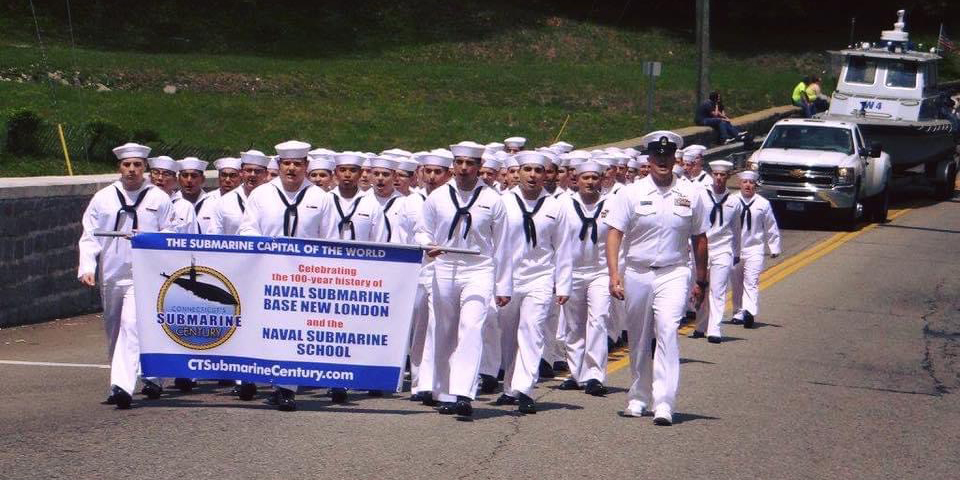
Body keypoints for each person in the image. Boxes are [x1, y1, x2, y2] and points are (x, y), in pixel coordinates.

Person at [604, 130, 709, 426]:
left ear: (675, 158)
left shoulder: (691, 193)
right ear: (648, 159)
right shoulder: (631, 192)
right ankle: (638, 396)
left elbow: (700, 238)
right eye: (657, 156)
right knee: (638, 337)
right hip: (637, 272)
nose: (662, 161)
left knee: (666, 332)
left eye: (667, 156)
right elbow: (614, 233)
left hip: (674, 272)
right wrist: (614, 274)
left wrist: (701, 281)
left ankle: (664, 402)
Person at [415, 141, 513, 418]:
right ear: (453, 165)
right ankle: (443, 390)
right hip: (444, 265)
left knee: (471, 327)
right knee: (443, 329)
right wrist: (429, 245)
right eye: (459, 163)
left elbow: (504, 246)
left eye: (470, 164)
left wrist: (503, 285)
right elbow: (421, 231)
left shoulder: (493, 199)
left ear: (479, 168)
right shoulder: (438, 197)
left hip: (478, 268)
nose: (464, 169)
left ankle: (463, 392)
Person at [237, 140, 338, 411]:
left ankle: (285, 388)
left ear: (306, 166)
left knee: (292, 331)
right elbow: (247, 230)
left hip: (303, 277)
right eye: (286, 164)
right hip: (265, 272)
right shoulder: (261, 194)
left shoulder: (321, 198)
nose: (291, 168)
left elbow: (330, 240)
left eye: (297, 164)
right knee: (260, 328)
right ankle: (251, 376)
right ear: (279, 166)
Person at [78, 142, 175, 409]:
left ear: (145, 168)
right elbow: (89, 234)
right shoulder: (104, 197)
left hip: (143, 273)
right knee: (113, 327)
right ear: (119, 167)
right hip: (112, 271)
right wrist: (87, 266)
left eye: (137, 165)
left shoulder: (158, 198)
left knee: (132, 325)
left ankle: (125, 384)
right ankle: (119, 381)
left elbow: (170, 234)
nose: (132, 170)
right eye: (127, 165)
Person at [497, 151, 572, 414]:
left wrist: (563, 285)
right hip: (508, 277)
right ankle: (509, 387)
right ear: (517, 173)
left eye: (538, 171)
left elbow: (563, 247)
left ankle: (525, 388)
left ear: (545, 175)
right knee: (507, 335)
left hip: (540, 277)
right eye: (527, 169)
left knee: (532, 330)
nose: (532, 175)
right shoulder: (503, 202)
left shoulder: (557, 206)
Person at [557, 160, 611, 396]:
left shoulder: (612, 204)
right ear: (575, 180)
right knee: (574, 324)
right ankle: (577, 372)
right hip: (573, 271)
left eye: (594, 178)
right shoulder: (563, 204)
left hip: (601, 271)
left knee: (598, 319)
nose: (590, 182)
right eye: (585, 178)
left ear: (601, 180)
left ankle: (595, 375)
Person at [407, 153, 453, 405]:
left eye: (438, 172)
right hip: (419, 269)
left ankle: (436, 382)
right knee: (420, 327)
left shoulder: (451, 199)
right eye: (429, 171)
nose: (433, 176)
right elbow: (408, 235)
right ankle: (419, 381)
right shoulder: (411, 201)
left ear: (448, 174)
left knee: (440, 326)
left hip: (444, 269)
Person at [690, 160, 741, 343]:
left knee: (718, 290)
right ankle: (701, 326)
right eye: (716, 175)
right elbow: (693, 224)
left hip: (722, 249)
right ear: (712, 175)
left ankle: (714, 329)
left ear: (728, 177)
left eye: (723, 175)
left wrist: (736, 253)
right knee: (701, 286)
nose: (719, 178)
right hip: (703, 248)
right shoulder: (701, 195)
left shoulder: (734, 201)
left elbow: (736, 229)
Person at [731, 170, 782, 328]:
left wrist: (774, 247)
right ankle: (738, 312)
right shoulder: (731, 201)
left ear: (755, 185)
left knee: (751, 281)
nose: (748, 185)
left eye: (751, 183)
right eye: (745, 182)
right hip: (735, 249)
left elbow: (771, 226)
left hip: (755, 248)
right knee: (736, 283)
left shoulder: (762, 203)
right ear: (740, 184)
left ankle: (749, 312)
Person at [209, 150, 270, 237]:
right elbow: (214, 237)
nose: (252, 175)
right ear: (241, 173)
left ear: (266, 174)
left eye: (257, 171)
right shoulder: (224, 202)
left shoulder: (274, 200)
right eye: (248, 170)